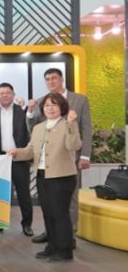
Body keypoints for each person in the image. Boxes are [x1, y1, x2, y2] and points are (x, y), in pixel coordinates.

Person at [8, 93, 81, 262]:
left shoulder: (67, 124)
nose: (50, 108)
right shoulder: (38, 128)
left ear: (62, 108)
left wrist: (72, 124)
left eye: (54, 105)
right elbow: (30, 150)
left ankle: (65, 250)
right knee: (48, 213)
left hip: (61, 176)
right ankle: (52, 247)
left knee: (60, 214)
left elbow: (73, 145)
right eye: (47, 105)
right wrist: (16, 153)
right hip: (42, 175)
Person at [26, 68, 92, 245]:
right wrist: (30, 112)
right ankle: (51, 233)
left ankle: (70, 236)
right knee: (49, 201)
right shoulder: (42, 101)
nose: (51, 81)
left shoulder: (80, 99)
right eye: (47, 79)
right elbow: (34, 127)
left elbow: (86, 128)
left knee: (70, 199)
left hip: (71, 157)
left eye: (54, 78)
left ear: (62, 79)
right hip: (49, 160)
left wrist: (85, 156)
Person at [0, 83, 33, 236]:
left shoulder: (21, 110)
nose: (5, 95)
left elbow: (31, 124)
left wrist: (27, 107)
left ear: (13, 95)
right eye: (1, 93)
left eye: (8, 93)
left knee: (23, 193)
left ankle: (27, 224)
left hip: (19, 157)